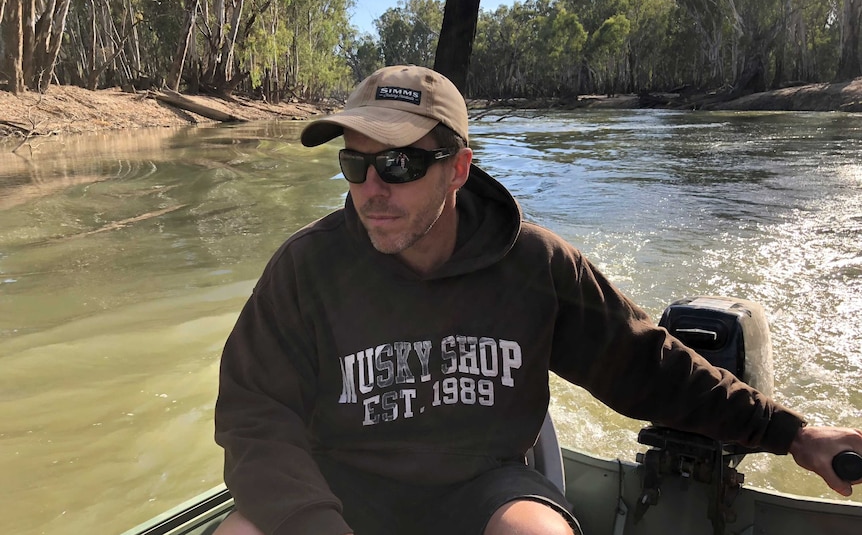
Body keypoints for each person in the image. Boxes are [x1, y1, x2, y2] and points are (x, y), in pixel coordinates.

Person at [213, 65, 862, 535]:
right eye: (356, 165)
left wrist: (795, 433)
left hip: (484, 484)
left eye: (400, 166)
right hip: (341, 487)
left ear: (458, 169)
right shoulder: (308, 268)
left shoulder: (534, 264)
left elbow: (649, 366)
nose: (372, 189)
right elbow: (254, 416)